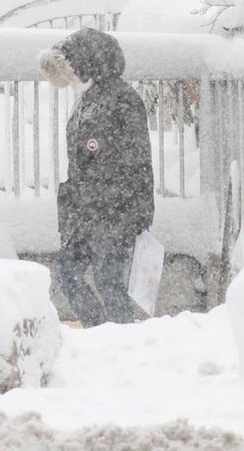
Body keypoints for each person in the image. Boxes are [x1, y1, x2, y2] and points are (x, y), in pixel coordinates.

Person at [39, 28, 155, 327]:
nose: (70, 75)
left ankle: (121, 338)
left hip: (114, 211)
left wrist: (139, 209)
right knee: (67, 273)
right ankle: (100, 331)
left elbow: (138, 157)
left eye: (72, 67)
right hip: (84, 213)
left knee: (108, 280)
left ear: (89, 62)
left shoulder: (123, 100)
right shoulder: (87, 99)